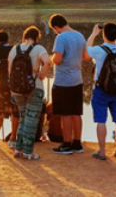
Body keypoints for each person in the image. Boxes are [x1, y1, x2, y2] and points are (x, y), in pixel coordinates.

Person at [9, 26, 51, 160]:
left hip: (17, 89)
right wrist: (42, 75)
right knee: (31, 121)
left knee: (22, 119)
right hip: (34, 87)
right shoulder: (39, 49)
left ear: (25, 36)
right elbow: (48, 62)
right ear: (37, 37)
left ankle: (18, 149)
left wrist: (12, 90)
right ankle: (28, 152)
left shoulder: (14, 49)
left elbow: (10, 72)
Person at [49, 14, 88, 154]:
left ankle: (66, 143)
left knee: (65, 114)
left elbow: (58, 59)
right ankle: (77, 143)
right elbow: (85, 56)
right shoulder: (79, 35)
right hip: (77, 79)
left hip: (63, 81)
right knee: (76, 113)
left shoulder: (61, 37)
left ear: (56, 27)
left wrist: (51, 58)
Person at [87, 23, 116, 160]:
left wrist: (93, 34)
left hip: (101, 89)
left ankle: (102, 151)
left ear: (104, 34)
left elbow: (86, 53)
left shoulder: (99, 50)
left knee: (101, 120)